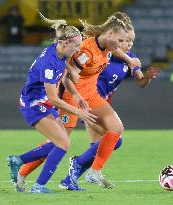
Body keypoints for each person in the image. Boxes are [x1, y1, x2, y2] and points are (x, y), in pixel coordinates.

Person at [15, 12, 160, 191]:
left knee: (116, 132)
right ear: (111, 35)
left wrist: (131, 61)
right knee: (58, 143)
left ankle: (93, 172)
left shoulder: (109, 46)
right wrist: (74, 89)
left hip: (91, 95)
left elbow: (119, 54)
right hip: (72, 96)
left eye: (128, 41)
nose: (124, 45)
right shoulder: (87, 50)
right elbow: (68, 77)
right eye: (122, 41)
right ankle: (23, 172)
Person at [6, 13, 97, 194]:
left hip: (43, 102)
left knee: (59, 142)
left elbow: (62, 78)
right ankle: (38, 186)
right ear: (65, 43)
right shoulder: (49, 62)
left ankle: (18, 160)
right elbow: (54, 98)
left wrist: (77, 96)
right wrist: (79, 112)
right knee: (62, 144)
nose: (78, 49)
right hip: (33, 104)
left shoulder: (59, 53)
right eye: (76, 45)